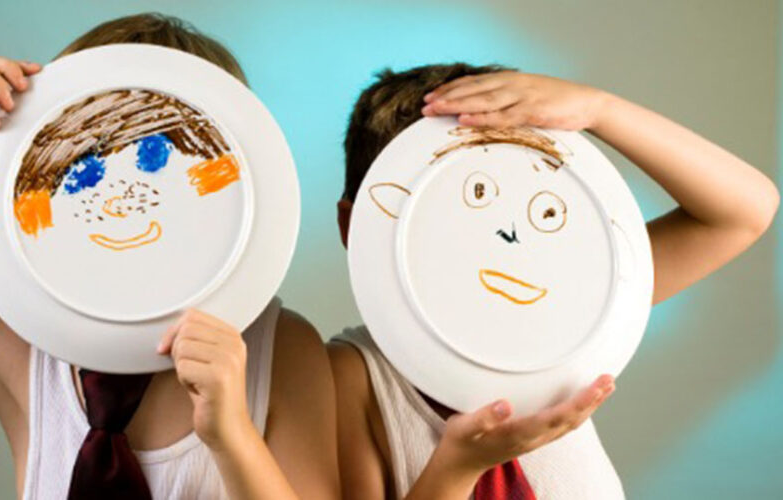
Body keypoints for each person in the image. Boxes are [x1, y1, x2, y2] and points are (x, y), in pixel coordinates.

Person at [0, 13, 338, 500]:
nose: (117, 198)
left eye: (155, 159)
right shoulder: (7, 325)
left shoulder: (281, 350)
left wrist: (232, 438)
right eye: (84, 166)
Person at [329, 63, 779, 499]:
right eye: (474, 198)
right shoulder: (349, 377)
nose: (506, 232)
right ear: (356, 229)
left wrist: (601, 110)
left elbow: (743, 212)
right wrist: (460, 466)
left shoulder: (571, 311)